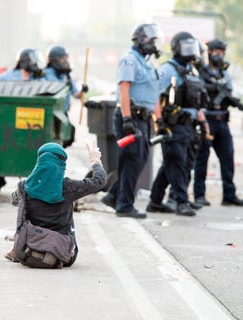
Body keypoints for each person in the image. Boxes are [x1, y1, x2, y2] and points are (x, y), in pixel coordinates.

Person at [6, 142, 106, 268]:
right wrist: (95, 160)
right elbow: (99, 181)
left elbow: (14, 201)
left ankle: (16, 250)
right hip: (61, 253)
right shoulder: (68, 187)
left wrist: (34, 180)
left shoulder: (25, 186)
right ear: (62, 164)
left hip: (28, 249)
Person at [100, 23, 162, 219]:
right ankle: (124, 205)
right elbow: (124, 90)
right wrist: (127, 118)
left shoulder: (147, 63)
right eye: (151, 40)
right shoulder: (130, 61)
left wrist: (159, 122)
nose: (153, 44)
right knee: (132, 159)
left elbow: (154, 95)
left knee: (139, 160)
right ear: (140, 40)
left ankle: (114, 195)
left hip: (143, 119)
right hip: (129, 117)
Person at [148, 31, 208, 217]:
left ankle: (155, 201)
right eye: (186, 47)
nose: (191, 51)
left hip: (189, 126)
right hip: (173, 124)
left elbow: (196, 102)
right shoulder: (167, 69)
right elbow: (155, 96)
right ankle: (182, 201)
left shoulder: (193, 70)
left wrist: (203, 123)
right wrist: (159, 122)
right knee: (177, 163)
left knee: (172, 164)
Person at [193, 39, 243, 207]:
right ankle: (199, 195)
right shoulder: (202, 72)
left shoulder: (224, 74)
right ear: (209, 53)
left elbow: (229, 92)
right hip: (207, 120)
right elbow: (198, 91)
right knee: (201, 159)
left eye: (221, 52)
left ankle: (229, 195)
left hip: (222, 120)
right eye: (216, 52)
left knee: (227, 158)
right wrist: (213, 88)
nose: (219, 55)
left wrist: (233, 101)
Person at [0, 48, 45, 193]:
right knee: (4, 147)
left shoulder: (38, 78)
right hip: (8, 120)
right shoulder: (9, 76)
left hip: (29, 121)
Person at [42, 45, 88, 113]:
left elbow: (76, 95)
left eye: (67, 58)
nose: (66, 61)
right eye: (63, 59)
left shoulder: (65, 75)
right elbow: (55, 88)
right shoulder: (47, 73)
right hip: (51, 112)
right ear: (56, 60)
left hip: (63, 113)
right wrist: (66, 84)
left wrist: (83, 91)